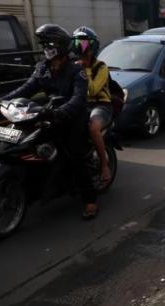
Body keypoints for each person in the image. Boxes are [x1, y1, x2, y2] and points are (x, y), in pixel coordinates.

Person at [3, 24, 96, 219]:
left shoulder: (75, 70)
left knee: (75, 156)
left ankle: (89, 200)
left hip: (73, 117)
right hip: (49, 114)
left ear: (61, 46)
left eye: (49, 43)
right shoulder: (42, 68)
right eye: (44, 44)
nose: (46, 47)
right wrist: (5, 99)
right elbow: (26, 88)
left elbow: (78, 99)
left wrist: (62, 112)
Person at [71, 26, 112, 189]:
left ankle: (104, 166)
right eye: (78, 42)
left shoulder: (101, 67)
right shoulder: (72, 65)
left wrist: (83, 70)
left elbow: (93, 90)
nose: (82, 46)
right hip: (80, 104)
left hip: (100, 105)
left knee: (93, 127)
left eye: (85, 43)